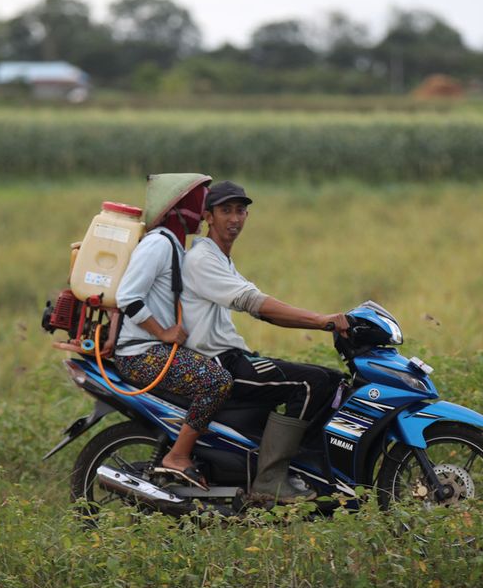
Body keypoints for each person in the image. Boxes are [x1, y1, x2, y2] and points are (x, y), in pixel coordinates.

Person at [181, 180, 349, 503]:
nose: (235, 218)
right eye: (225, 210)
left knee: (332, 379)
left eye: (241, 210)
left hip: (233, 356)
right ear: (208, 216)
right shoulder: (202, 258)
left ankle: (301, 468)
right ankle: (272, 479)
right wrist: (319, 319)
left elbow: (262, 309)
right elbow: (253, 301)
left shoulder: (220, 258)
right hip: (219, 362)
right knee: (311, 384)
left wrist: (328, 321)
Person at [115, 174, 233, 490]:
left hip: (156, 349)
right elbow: (128, 296)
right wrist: (163, 332)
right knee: (216, 381)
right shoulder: (158, 243)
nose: (204, 207)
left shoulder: (175, 245)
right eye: (200, 200)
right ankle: (177, 456)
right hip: (141, 353)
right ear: (180, 206)